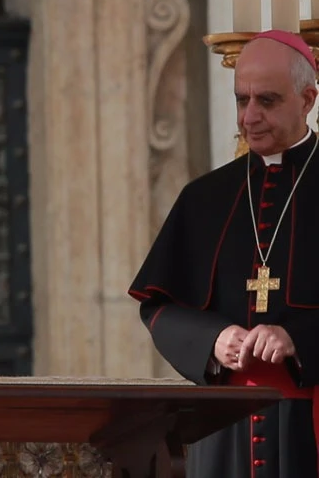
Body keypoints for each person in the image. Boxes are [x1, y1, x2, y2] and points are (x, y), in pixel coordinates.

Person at [129, 29, 319, 477]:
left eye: (267, 101)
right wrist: (212, 339)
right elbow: (159, 309)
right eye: (241, 100)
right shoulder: (206, 197)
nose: (249, 116)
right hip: (219, 431)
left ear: (307, 99)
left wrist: (300, 338)